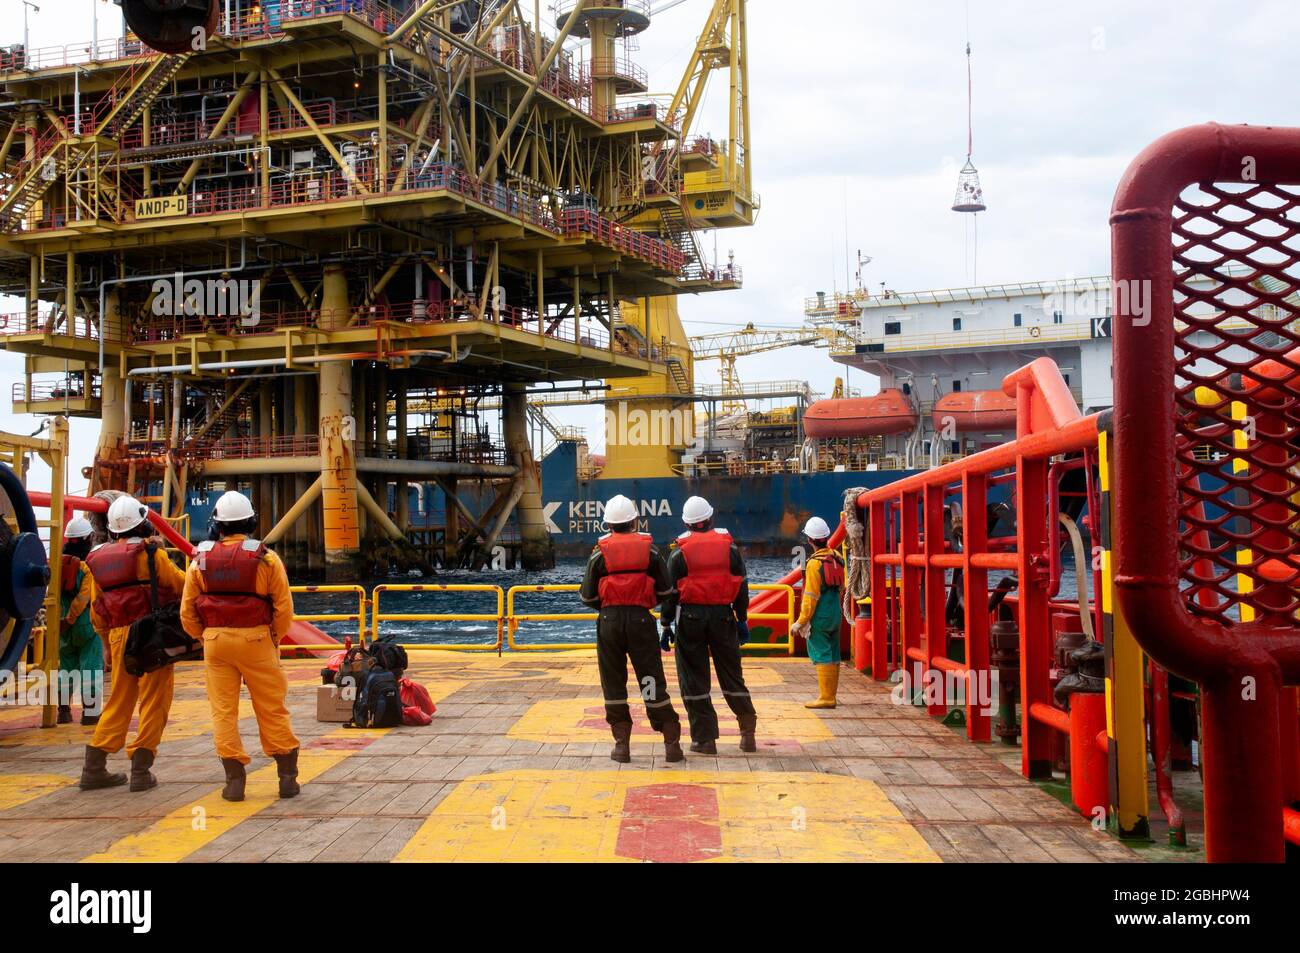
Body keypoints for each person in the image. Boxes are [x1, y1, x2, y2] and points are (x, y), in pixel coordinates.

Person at [180, 490, 300, 802]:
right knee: (271, 707)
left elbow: (187, 612)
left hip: (216, 642)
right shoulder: (266, 559)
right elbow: (284, 609)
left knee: (223, 711)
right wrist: (272, 636)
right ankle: (286, 777)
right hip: (257, 638)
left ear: (216, 525)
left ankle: (234, 782)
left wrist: (205, 636)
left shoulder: (200, 561)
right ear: (251, 522)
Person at [80, 495, 187, 792]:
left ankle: (95, 766)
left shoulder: (97, 562)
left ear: (113, 530)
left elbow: (97, 610)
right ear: (143, 524)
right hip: (151, 635)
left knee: (119, 699)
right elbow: (181, 586)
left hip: (117, 635)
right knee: (155, 701)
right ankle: (140, 770)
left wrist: (105, 645)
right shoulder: (151, 555)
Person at [580, 494, 684, 764]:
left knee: (613, 681)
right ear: (635, 522)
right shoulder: (650, 552)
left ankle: (622, 746)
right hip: (641, 621)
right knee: (649, 679)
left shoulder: (598, 554)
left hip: (609, 623)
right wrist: (643, 603)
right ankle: (671, 742)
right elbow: (666, 590)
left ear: (608, 525)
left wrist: (610, 608)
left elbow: (588, 596)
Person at [660, 495, 757, 754]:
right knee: (732, 676)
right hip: (724, 617)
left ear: (686, 522)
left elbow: (670, 594)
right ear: (711, 518)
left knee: (694, 679)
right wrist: (742, 619)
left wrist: (666, 624)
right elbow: (741, 585)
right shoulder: (730, 549)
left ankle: (705, 740)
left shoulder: (678, 552)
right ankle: (748, 734)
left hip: (690, 620)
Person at [791, 516, 846, 709]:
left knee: (821, 653)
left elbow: (810, 596)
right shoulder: (838, 557)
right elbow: (842, 587)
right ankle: (831, 695)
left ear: (809, 540)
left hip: (820, 617)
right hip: (835, 614)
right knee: (833, 653)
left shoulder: (814, 564)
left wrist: (800, 621)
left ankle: (826, 697)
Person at [56, 517, 105, 726]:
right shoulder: (87, 565)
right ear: (88, 537)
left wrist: (63, 620)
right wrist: (72, 618)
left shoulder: (57, 562)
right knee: (91, 666)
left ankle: (62, 711)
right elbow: (85, 596)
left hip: (62, 623)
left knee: (65, 666)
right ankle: (90, 713)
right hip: (85, 623)